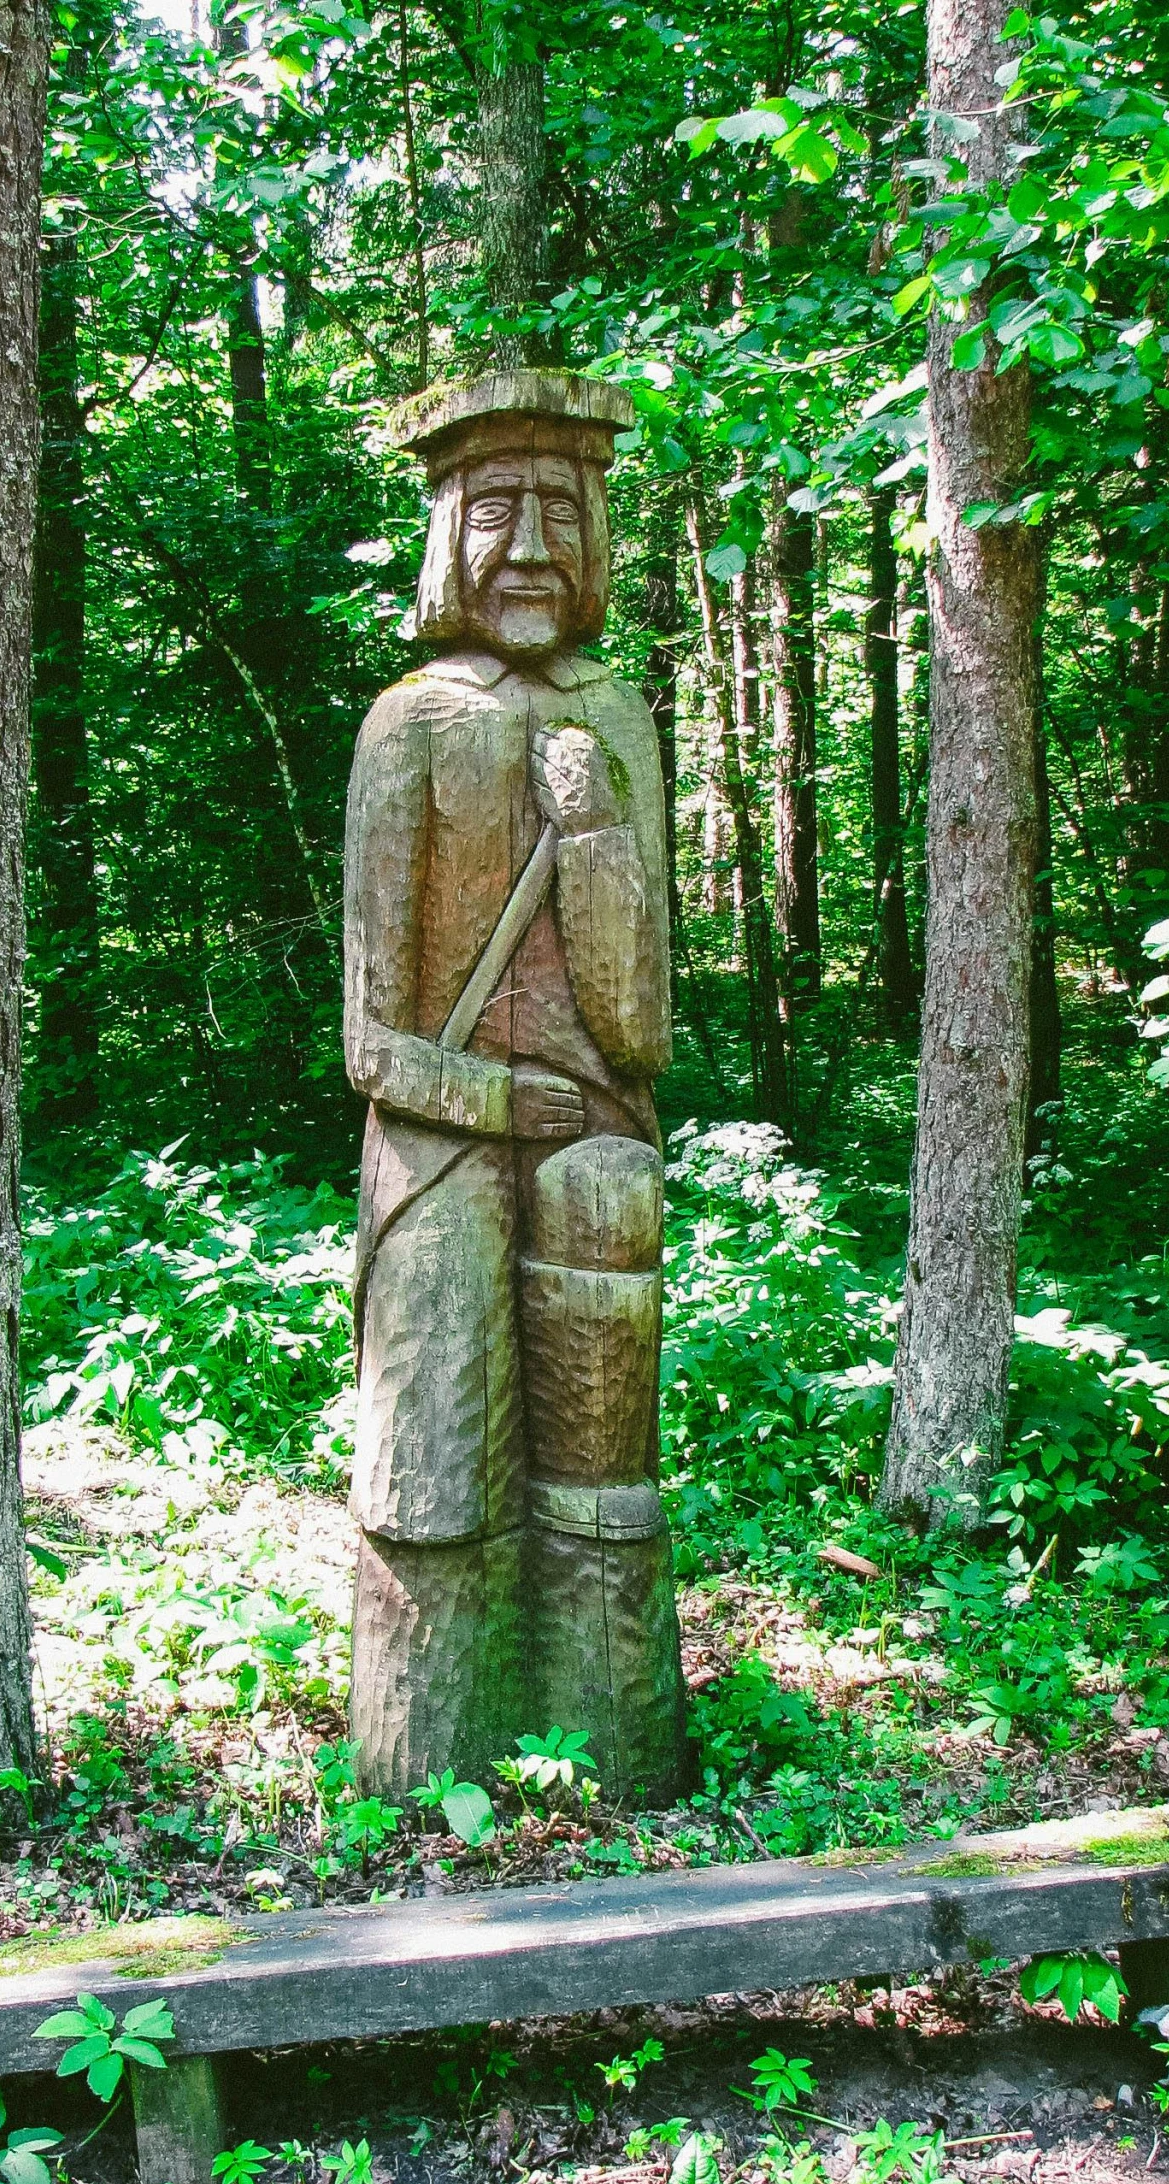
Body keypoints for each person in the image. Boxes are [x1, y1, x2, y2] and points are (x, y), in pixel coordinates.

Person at [342, 371, 687, 1801]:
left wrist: (595, 828)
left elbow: (642, 1028)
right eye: (496, 512)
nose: (532, 549)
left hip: (594, 1141)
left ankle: (609, 1743)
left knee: (603, 1470)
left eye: (564, 509)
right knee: (430, 1462)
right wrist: (494, 1107)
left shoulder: (616, 715)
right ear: (443, 534)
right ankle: (432, 1760)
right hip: (437, 1151)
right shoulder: (410, 722)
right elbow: (372, 1043)